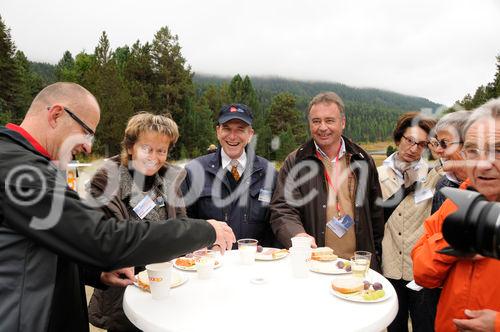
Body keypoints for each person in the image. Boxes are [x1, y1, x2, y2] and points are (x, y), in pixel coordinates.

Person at [0, 82, 236, 332]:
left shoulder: (32, 166)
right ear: (57, 114)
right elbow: (105, 239)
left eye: (162, 150)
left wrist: (94, 274)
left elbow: (55, 246)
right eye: (86, 132)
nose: (88, 147)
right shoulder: (21, 172)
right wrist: (205, 231)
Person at [87, 112, 187, 331]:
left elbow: (181, 223)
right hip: (123, 296)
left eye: (161, 150)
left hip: (165, 289)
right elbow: (116, 240)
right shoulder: (105, 183)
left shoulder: (170, 180)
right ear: (130, 147)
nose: (154, 157)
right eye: (146, 148)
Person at [412, 98, 500, 332]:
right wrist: (456, 238)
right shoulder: (456, 203)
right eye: (472, 151)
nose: (482, 164)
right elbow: (421, 273)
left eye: (498, 151)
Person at [269, 92, 384, 270]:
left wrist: (376, 256)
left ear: (343, 123)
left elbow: (376, 214)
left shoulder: (363, 159)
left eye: (329, 120)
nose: (322, 127)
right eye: (316, 121)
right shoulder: (295, 161)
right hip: (313, 265)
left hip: (358, 265)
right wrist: (297, 235)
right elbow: (282, 208)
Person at [181, 103, 277, 247]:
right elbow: (183, 222)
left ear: (250, 134)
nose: (232, 136)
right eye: (227, 128)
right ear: (218, 131)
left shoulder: (269, 173)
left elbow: (278, 220)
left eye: (240, 130)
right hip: (211, 263)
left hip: (255, 263)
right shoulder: (194, 171)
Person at [377, 112, 439, 332]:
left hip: (419, 269)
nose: (413, 148)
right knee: (395, 326)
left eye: (421, 144)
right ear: (398, 139)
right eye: (409, 140)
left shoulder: (432, 175)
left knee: (425, 325)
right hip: (390, 267)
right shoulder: (376, 175)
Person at [429, 110, 470, 214]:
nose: (438, 150)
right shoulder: (442, 185)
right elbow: (434, 228)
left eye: (444, 143)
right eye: (438, 143)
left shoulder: (493, 185)